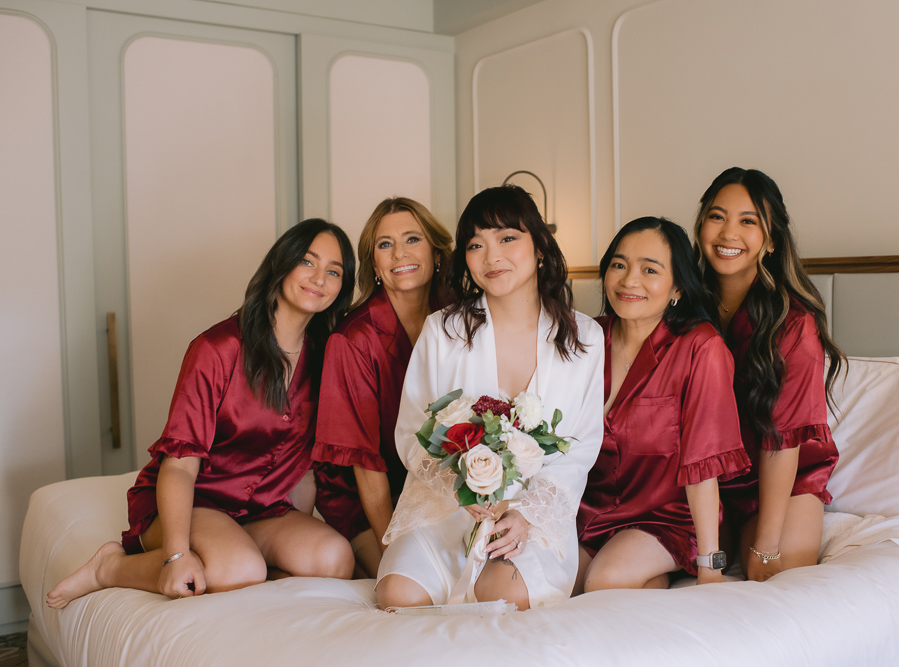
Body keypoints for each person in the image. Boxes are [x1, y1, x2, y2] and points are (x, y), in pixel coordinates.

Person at [47, 219, 357, 608]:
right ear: (282, 265)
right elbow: (179, 466)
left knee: (335, 558)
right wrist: (177, 555)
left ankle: (244, 556)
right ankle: (109, 567)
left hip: (261, 509)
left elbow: (302, 468)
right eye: (308, 263)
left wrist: (295, 536)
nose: (319, 278)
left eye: (334, 271)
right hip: (196, 501)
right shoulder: (218, 348)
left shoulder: (325, 358)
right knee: (238, 570)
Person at [375, 185, 604, 611]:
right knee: (396, 595)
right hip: (447, 507)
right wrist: (464, 492)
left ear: (539, 247)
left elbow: (580, 448)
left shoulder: (586, 337)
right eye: (476, 245)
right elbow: (411, 433)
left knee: (503, 596)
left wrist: (527, 515)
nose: (491, 256)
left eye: (507, 238)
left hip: (531, 514)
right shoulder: (442, 330)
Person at [576, 217, 750, 591]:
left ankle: (657, 573)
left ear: (677, 288)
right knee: (548, 587)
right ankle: (653, 582)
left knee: (605, 581)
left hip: (672, 517)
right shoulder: (585, 338)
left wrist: (710, 567)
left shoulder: (700, 348)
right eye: (619, 265)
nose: (629, 280)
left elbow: (703, 463)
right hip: (590, 515)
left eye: (649, 269)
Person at [694, 167, 844, 582]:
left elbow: (784, 439)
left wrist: (767, 544)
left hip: (784, 480)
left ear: (772, 239)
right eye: (717, 216)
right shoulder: (684, 310)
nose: (728, 234)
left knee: (772, 579)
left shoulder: (794, 325)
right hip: (711, 483)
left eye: (748, 222)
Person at [312, 197, 453, 578]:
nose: (399, 254)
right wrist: (393, 544)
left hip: (435, 489)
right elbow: (364, 462)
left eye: (412, 239)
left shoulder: (459, 318)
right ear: (374, 264)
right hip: (367, 500)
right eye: (385, 245)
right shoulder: (352, 340)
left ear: (437, 253)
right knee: (417, 582)